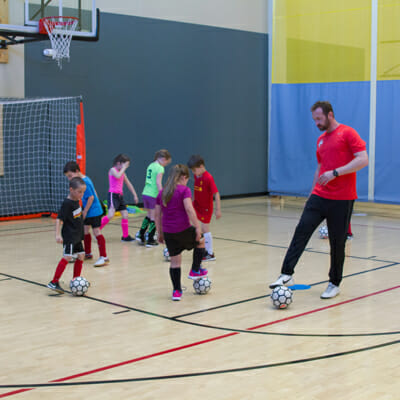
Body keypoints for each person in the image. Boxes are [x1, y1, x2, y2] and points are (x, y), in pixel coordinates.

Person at [269, 101, 369, 299]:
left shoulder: (348, 133)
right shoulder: (321, 140)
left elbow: (363, 159)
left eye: (319, 119)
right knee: (301, 232)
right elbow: (320, 167)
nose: (316, 123)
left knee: (337, 242)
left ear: (330, 114)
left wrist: (336, 173)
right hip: (319, 196)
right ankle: (286, 274)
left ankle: (334, 283)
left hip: (342, 199)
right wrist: (311, 194)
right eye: (314, 119)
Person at [155, 164, 208, 301]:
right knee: (201, 240)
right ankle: (195, 269)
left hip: (168, 232)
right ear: (184, 177)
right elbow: (189, 209)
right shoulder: (184, 190)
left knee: (175, 262)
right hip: (182, 229)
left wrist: (159, 233)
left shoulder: (162, 192)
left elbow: (157, 215)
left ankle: (176, 291)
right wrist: (197, 227)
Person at [63, 161, 109, 267]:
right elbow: (94, 193)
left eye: (70, 176)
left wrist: (85, 211)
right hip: (89, 209)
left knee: (97, 231)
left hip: (93, 210)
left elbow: (91, 197)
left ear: (77, 171)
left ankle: (104, 257)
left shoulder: (84, 182)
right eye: (68, 177)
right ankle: (88, 253)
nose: (69, 179)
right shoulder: (84, 179)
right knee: (85, 230)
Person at [47, 177, 87, 293]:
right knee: (67, 257)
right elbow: (59, 219)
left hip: (77, 235)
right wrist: (57, 235)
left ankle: (75, 280)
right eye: (79, 191)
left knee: (81, 255)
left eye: (83, 192)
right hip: (69, 236)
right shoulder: (67, 203)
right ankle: (54, 282)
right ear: (71, 189)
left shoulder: (76, 201)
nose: (81, 194)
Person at [187, 155, 221, 261]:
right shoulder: (197, 176)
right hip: (197, 205)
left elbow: (216, 194)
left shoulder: (208, 178)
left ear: (201, 166)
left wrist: (218, 209)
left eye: (194, 170)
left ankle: (210, 253)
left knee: (205, 229)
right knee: (187, 219)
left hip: (206, 208)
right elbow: (196, 191)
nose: (193, 173)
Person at [100, 154, 139, 241]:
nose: (126, 167)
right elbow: (117, 176)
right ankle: (97, 230)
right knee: (110, 215)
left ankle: (125, 236)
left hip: (120, 196)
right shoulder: (112, 170)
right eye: (125, 165)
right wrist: (124, 168)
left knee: (125, 215)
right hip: (112, 195)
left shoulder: (122, 173)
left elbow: (128, 184)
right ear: (118, 163)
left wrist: (135, 194)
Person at [137, 149, 171, 247]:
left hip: (145, 193)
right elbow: (158, 183)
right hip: (153, 194)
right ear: (163, 159)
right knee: (154, 217)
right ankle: (150, 239)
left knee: (148, 215)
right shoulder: (160, 168)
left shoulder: (151, 165)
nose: (165, 165)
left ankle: (141, 234)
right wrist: (162, 195)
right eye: (166, 163)